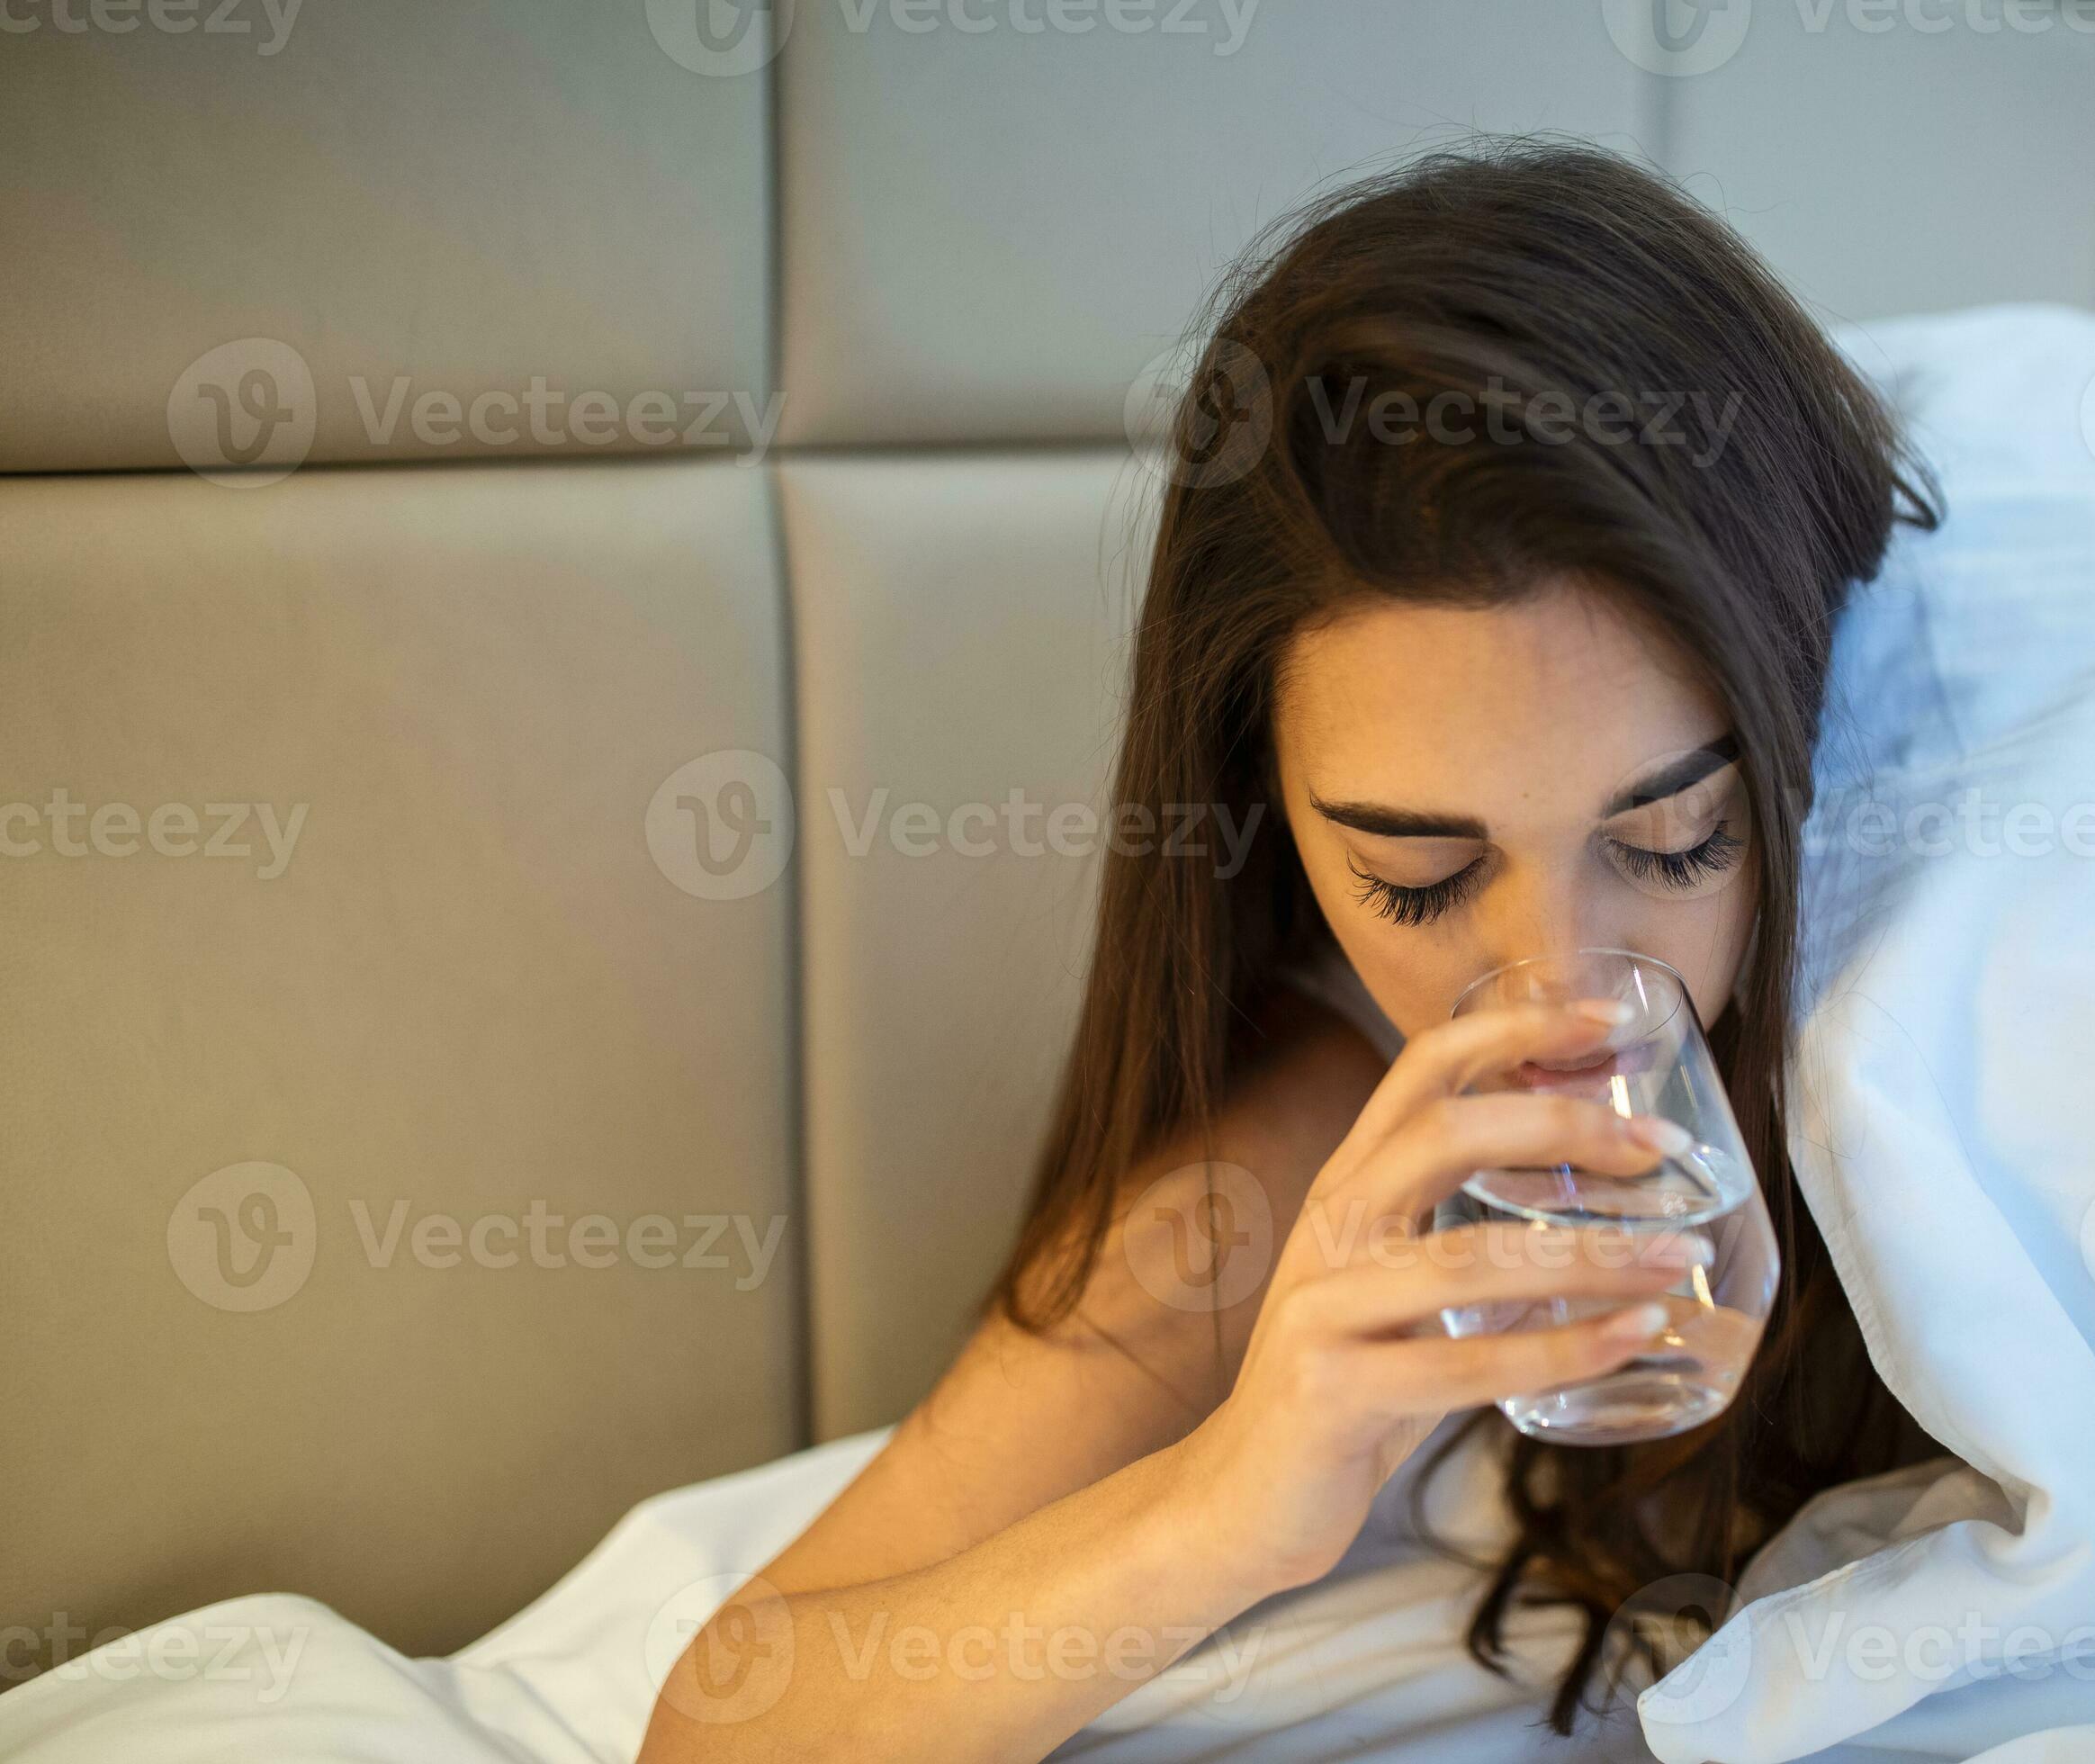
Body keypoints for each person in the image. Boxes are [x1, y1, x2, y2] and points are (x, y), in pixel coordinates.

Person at [641, 136, 1938, 1762]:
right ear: (1267, 814)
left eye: (1674, 840)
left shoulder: (1987, 977)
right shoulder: (1306, 1143)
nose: (1562, 997)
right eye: (1415, 877)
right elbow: (722, 1729)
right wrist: (1231, 1499)